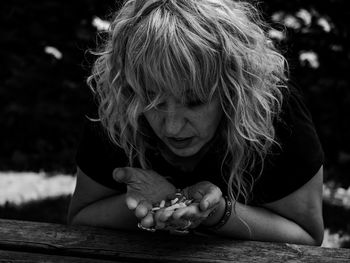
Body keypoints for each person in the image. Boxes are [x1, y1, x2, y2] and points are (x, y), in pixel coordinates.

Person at [68, 0, 324, 245]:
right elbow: (80, 218)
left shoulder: (275, 110)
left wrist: (217, 213)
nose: (172, 128)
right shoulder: (116, 103)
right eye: (152, 100)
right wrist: (149, 205)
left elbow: (307, 235)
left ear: (233, 90)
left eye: (195, 102)